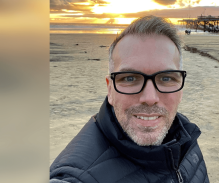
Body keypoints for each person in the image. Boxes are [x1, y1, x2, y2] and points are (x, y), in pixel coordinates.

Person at [50, 15, 209, 183]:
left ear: (181, 89)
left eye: (166, 78)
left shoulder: (186, 140)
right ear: (110, 89)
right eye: (130, 79)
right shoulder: (76, 177)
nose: (149, 98)